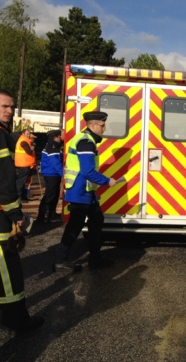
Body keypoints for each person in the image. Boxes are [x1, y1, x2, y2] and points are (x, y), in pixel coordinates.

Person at [0, 89, 44, 333]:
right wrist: (16, 214)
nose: (9, 111)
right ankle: (16, 319)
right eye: (4, 106)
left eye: (12, 107)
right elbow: (0, 179)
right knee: (7, 272)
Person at [52, 111, 117, 273]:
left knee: (97, 221)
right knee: (75, 226)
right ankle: (60, 260)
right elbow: (88, 171)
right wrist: (107, 181)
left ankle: (95, 258)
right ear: (93, 125)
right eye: (102, 126)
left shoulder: (86, 140)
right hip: (79, 190)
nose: (104, 128)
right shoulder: (86, 142)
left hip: (86, 191)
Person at [37, 130, 64, 223]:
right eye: (60, 136)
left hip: (53, 173)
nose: (61, 138)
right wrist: (63, 174)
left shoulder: (54, 146)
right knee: (50, 195)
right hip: (51, 174)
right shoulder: (52, 147)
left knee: (54, 195)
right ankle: (42, 215)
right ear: (56, 137)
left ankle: (51, 213)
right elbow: (55, 162)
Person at [14, 128, 36, 202]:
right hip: (24, 164)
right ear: (23, 134)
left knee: (25, 182)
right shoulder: (23, 141)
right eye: (27, 133)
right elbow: (29, 152)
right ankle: (19, 197)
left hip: (25, 164)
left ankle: (23, 197)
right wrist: (32, 148)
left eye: (29, 133)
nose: (29, 135)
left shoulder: (25, 140)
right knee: (21, 181)